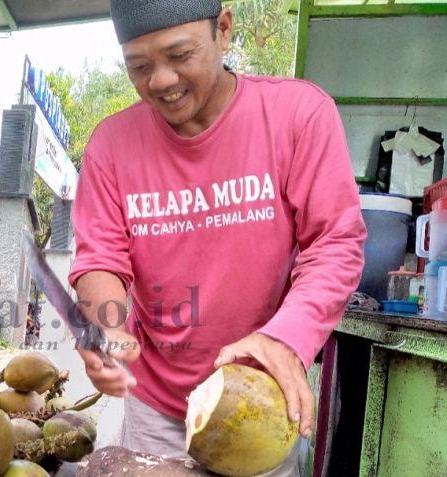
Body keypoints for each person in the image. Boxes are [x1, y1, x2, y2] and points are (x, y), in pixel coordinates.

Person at [67, 1, 367, 475]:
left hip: (262, 399)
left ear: (223, 30)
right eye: (139, 66)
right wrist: (105, 328)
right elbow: (100, 257)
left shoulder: (298, 115)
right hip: (156, 412)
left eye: (180, 55)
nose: (161, 80)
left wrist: (287, 340)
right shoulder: (111, 145)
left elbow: (334, 243)